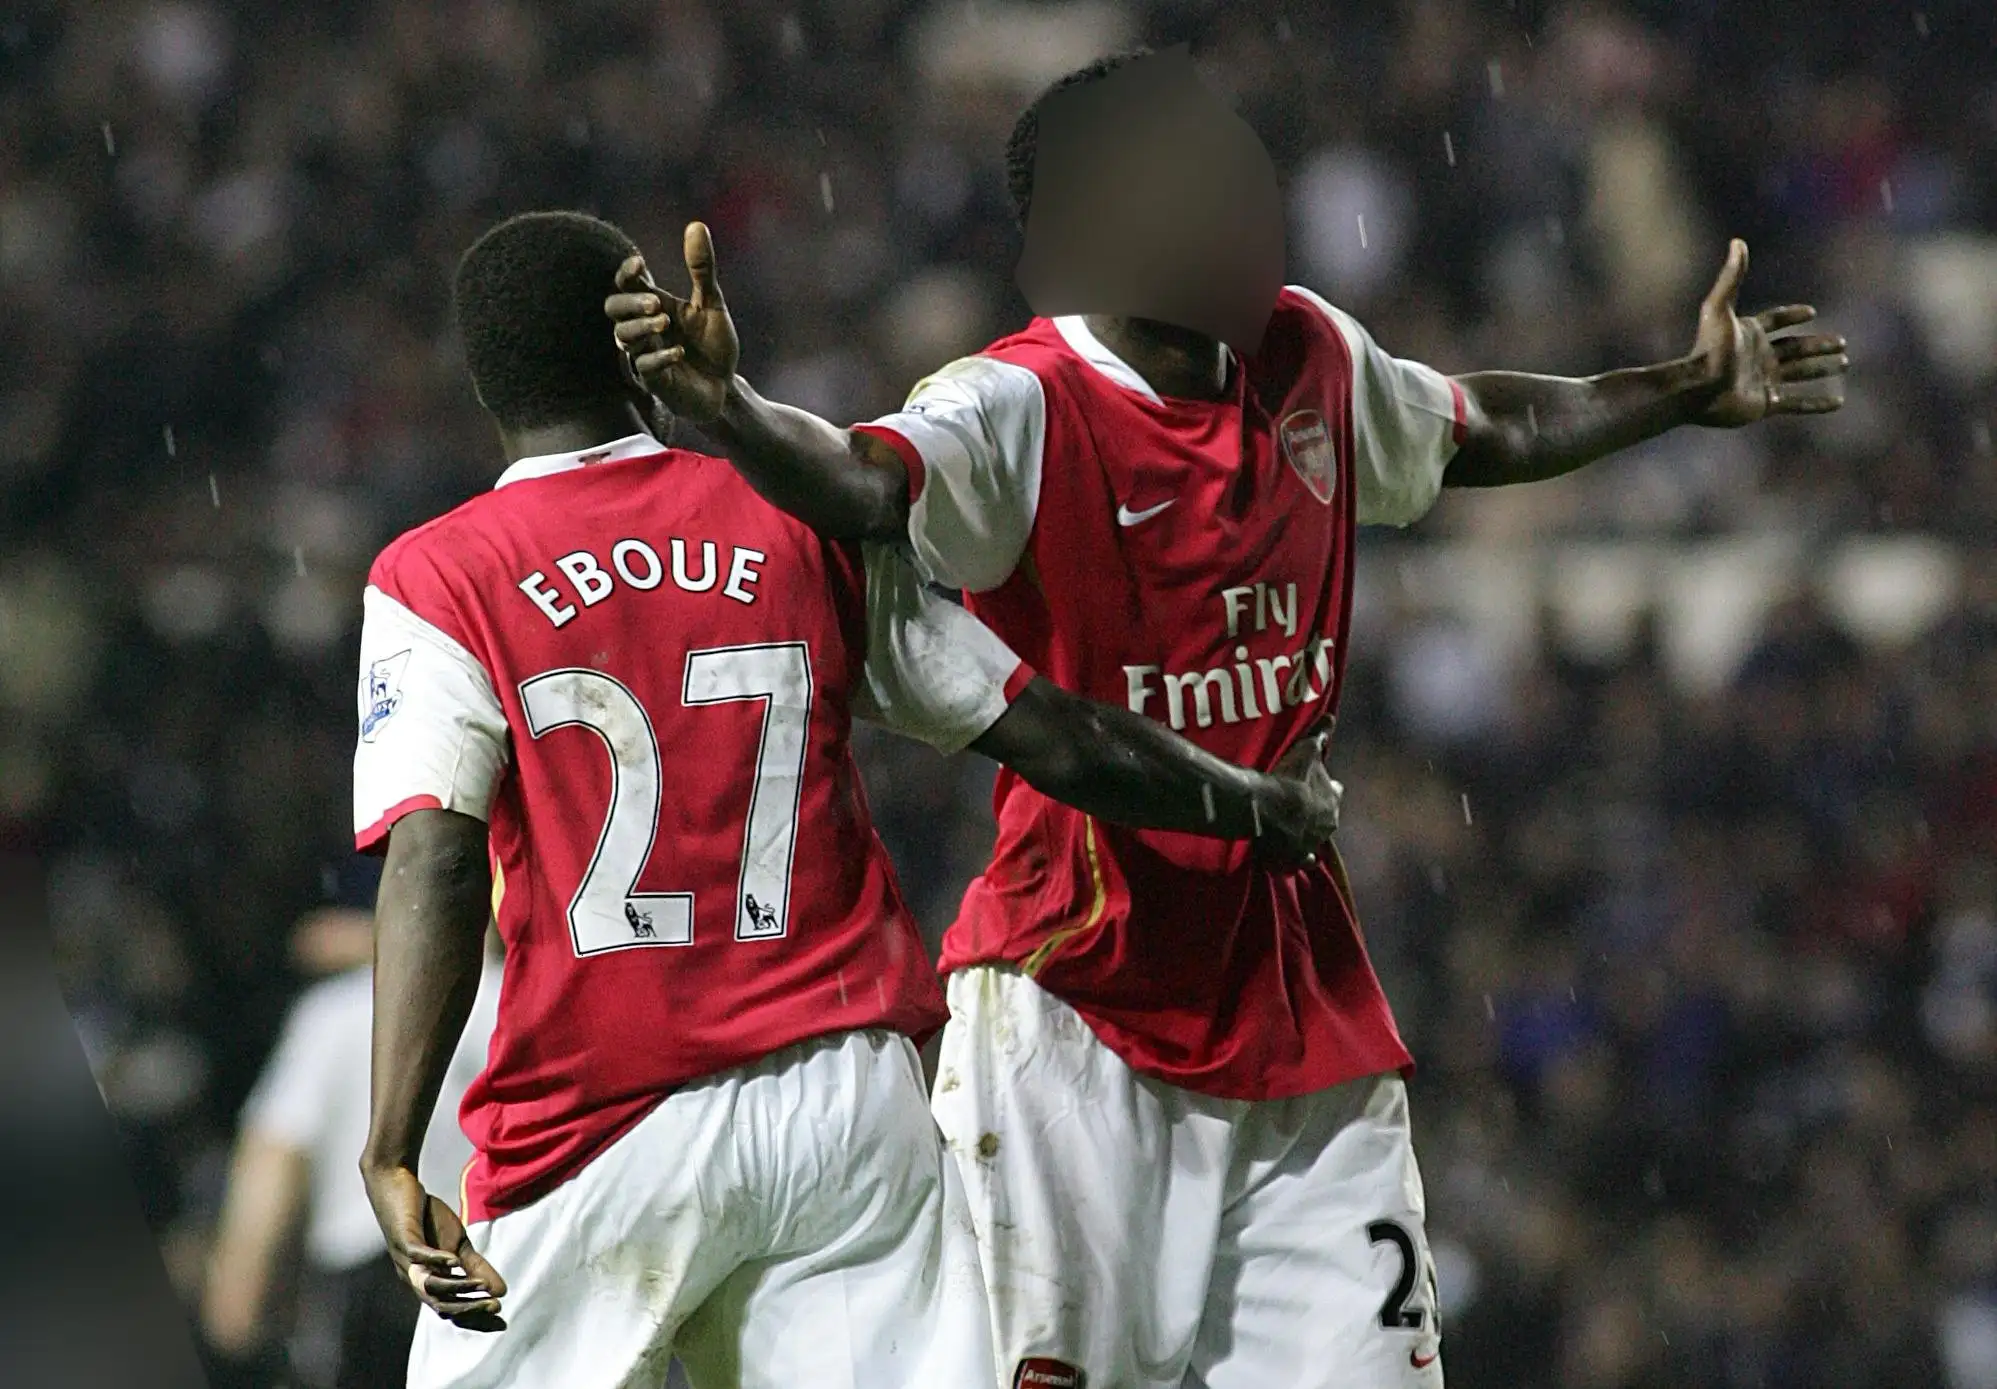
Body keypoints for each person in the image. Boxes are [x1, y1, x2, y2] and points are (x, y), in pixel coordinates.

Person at [604, 50, 1852, 1389]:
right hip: (1080, 1006)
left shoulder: (1309, 351)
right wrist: (728, 409)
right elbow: (865, 482)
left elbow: (1475, 425)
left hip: (1300, 1013)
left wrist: (1677, 390)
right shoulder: (1019, 402)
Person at [355, 209, 1342, 1389]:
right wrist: (1253, 802)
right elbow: (1048, 733)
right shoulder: (793, 517)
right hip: (840, 1099)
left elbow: (436, 858)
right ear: (641, 344)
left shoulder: (438, 575)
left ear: (483, 382)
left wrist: (392, 1145)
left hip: (600, 1112)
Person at [200, 856, 501, 1389]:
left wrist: (238, 1301)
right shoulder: (514, 1007)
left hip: (372, 1298)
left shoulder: (336, 1014)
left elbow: (275, 1161)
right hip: (499, 1286)